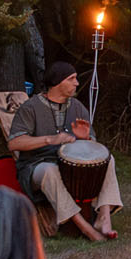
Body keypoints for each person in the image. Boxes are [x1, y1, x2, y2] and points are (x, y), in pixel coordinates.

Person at [9, 62, 119, 241]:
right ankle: (85, 227)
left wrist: (85, 138)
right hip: (36, 166)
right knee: (50, 170)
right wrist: (50, 139)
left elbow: (93, 147)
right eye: (71, 79)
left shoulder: (77, 106)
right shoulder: (31, 107)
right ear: (57, 82)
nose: (77, 83)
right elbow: (14, 143)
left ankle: (104, 219)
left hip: (69, 166)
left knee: (108, 159)